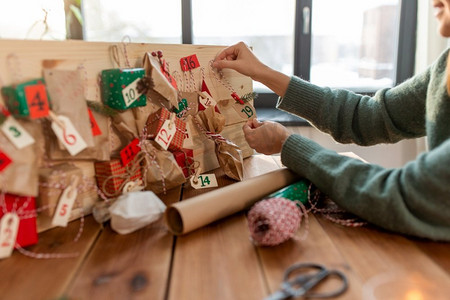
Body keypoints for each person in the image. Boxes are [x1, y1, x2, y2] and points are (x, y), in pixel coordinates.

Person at [212, 0, 450, 241]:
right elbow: (369, 116)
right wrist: (263, 72)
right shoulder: (445, 65)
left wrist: (287, 144)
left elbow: (400, 196)